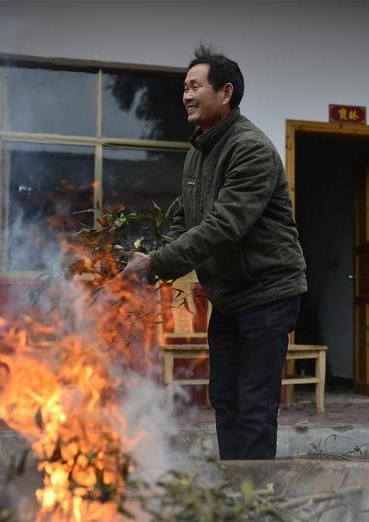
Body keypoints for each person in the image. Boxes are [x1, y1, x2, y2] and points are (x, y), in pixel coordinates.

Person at [122, 44, 307, 460]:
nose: (186, 95)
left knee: (254, 403)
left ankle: (256, 501)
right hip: (228, 295)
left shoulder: (251, 149)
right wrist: (152, 259)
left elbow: (224, 225)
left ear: (225, 92)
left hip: (268, 292)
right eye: (183, 87)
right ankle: (234, 486)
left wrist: (159, 263)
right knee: (224, 397)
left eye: (194, 86)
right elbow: (184, 221)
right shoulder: (198, 151)